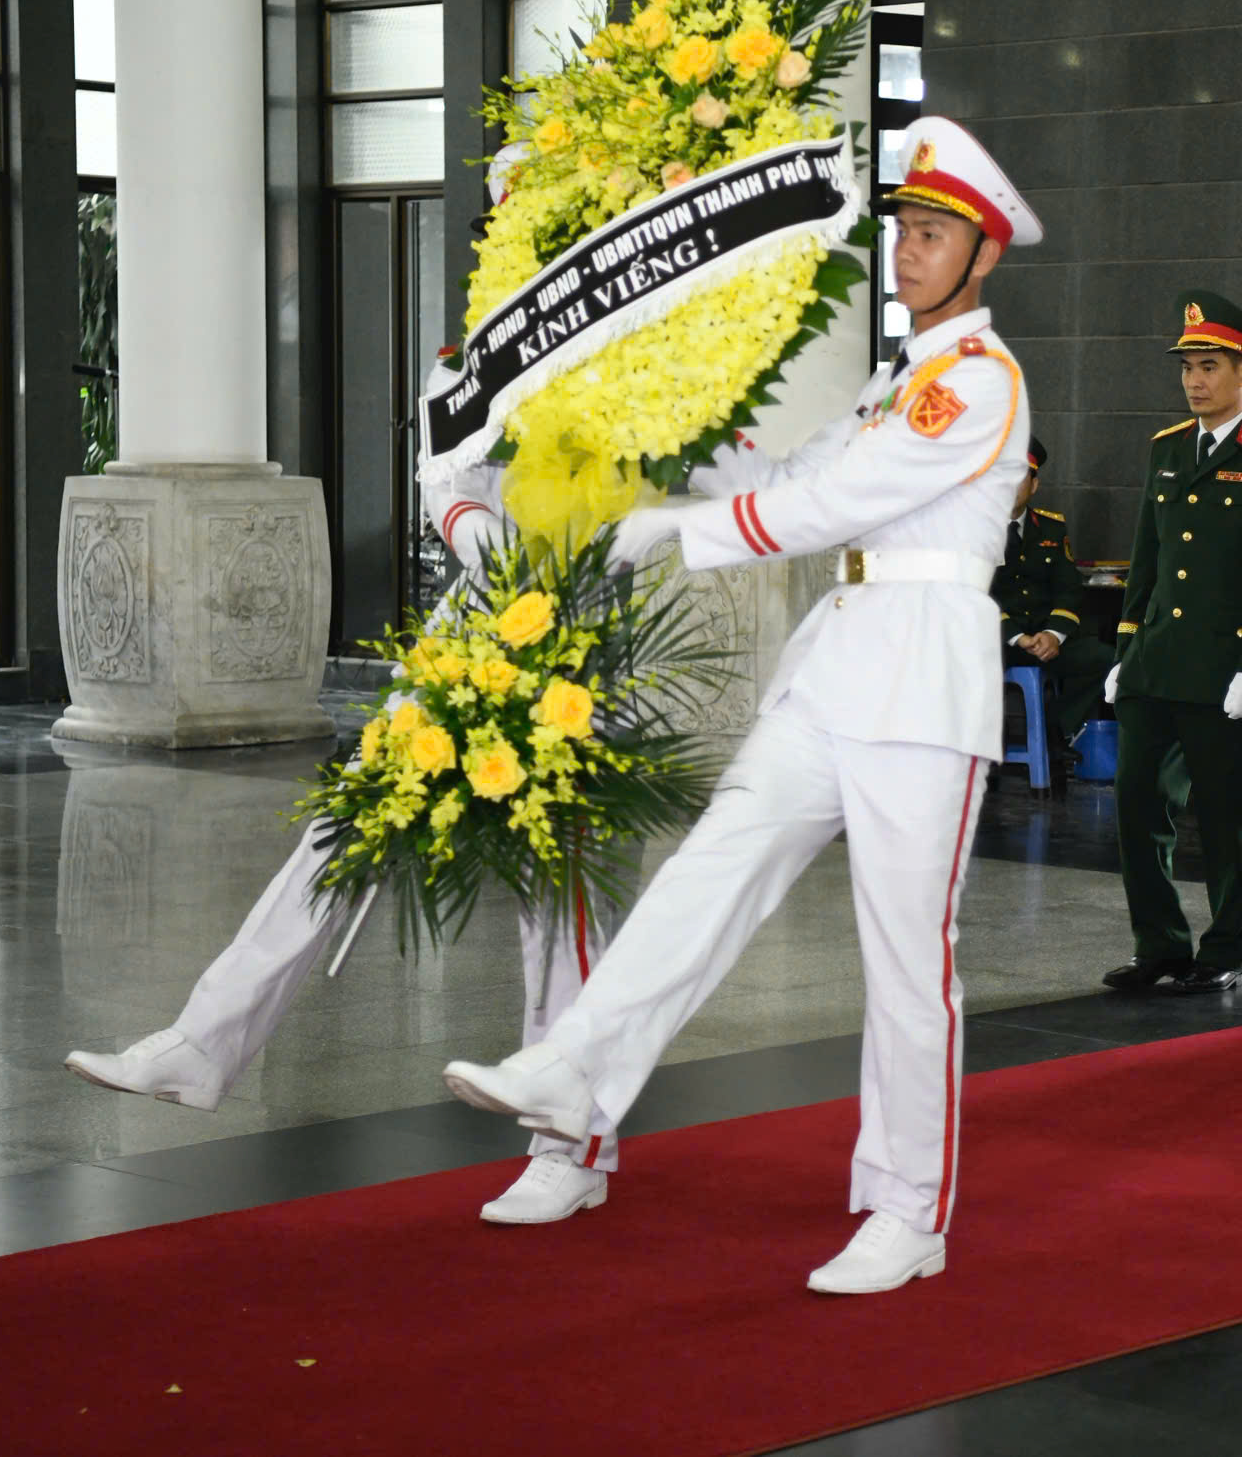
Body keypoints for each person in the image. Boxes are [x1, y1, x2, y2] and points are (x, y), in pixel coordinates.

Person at [436, 116, 1035, 1297]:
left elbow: (838, 503)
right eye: (904, 230)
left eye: (933, 234)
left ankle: (905, 1208)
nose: (908, 251)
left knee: (908, 962)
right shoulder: (891, 376)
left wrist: (677, 531)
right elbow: (787, 476)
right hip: (837, 664)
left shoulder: (974, 383)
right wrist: (678, 436)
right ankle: (576, 1070)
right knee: (707, 872)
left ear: (984, 256)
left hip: (922, 681)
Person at [64, 351, 622, 1227]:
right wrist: (488, 543)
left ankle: (571, 1145)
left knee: (555, 888)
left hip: (578, 633)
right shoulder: (472, 356)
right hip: (476, 619)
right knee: (343, 832)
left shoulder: (627, 339)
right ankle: (203, 1043)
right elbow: (446, 466)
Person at [1099, 291, 1242, 996]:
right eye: (1188, 366)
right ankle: (1159, 944)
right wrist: (1125, 649)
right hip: (1157, 664)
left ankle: (1226, 949)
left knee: (1228, 821)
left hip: (1227, 672)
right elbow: (1148, 559)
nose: (1195, 380)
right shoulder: (1166, 449)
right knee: (1137, 809)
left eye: (1210, 366)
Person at [993, 436, 1115, 758]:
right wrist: (1017, 637)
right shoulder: (974, 528)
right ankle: (987, 753)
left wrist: (1053, 634)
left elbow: (1069, 589)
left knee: (1104, 657)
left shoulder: (1050, 528)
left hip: (1045, 640)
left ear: (1034, 484)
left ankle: (1055, 731)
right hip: (996, 639)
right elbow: (976, 595)